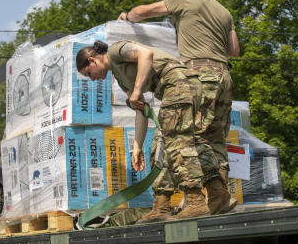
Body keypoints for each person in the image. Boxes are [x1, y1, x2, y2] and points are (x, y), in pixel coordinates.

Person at [117, 0, 240, 215]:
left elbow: (143, 11)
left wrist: (127, 18)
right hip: (224, 78)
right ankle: (219, 198)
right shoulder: (224, 11)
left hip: (198, 76)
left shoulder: (184, 1)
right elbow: (234, 50)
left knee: (183, 135)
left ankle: (188, 202)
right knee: (214, 138)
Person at [76, 40, 213, 223]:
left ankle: (196, 202)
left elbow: (145, 54)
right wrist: (137, 146)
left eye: (89, 74)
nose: (92, 79)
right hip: (175, 88)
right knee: (162, 145)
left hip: (178, 82)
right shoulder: (120, 78)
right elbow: (140, 109)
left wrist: (138, 89)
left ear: (92, 60)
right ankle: (172, 203)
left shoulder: (116, 51)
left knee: (175, 143)